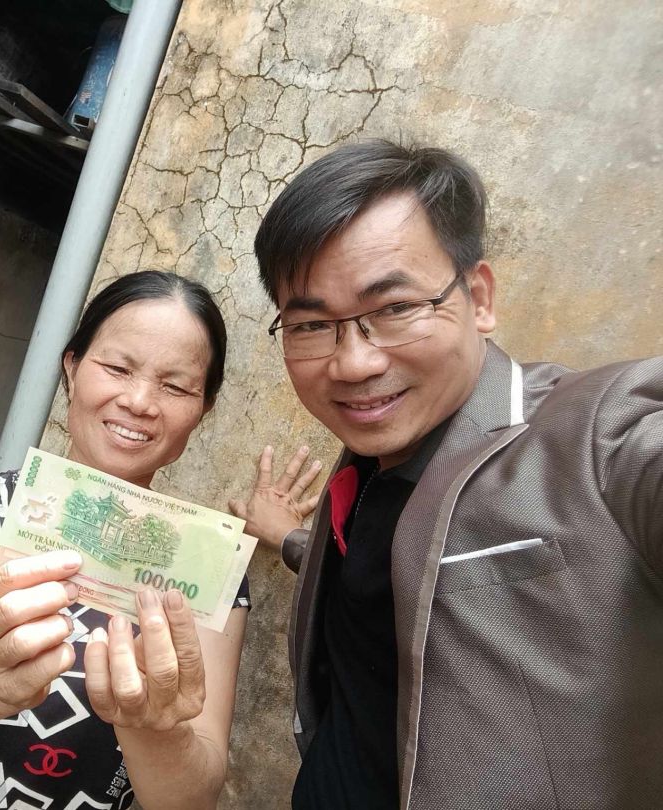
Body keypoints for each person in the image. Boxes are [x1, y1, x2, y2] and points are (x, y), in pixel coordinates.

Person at [230, 140, 663, 809]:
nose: (354, 363)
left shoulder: (595, 441)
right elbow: (404, 572)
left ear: (478, 297)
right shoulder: (367, 465)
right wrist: (291, 539)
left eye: (395, 308)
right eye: (311, 324)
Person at [0, 271, 267, 810]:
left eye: (175, 387)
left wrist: (155, 729)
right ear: (72, 367)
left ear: (202, 410)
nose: (139, 401)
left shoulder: (210, 571)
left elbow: (191, 801)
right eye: (117, 368)